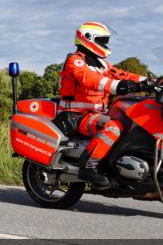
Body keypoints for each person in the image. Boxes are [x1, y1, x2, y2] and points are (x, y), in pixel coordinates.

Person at [58, 22, 150, 184]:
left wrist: (150, 82)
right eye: (102, 40)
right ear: (87, 39)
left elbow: (121, 74)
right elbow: (91, 80)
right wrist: (118, 86)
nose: (105, 44)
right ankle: (89, 166)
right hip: (75, 116)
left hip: (95, 115)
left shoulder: (101, 64)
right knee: (113, 127)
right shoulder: (75, 61)